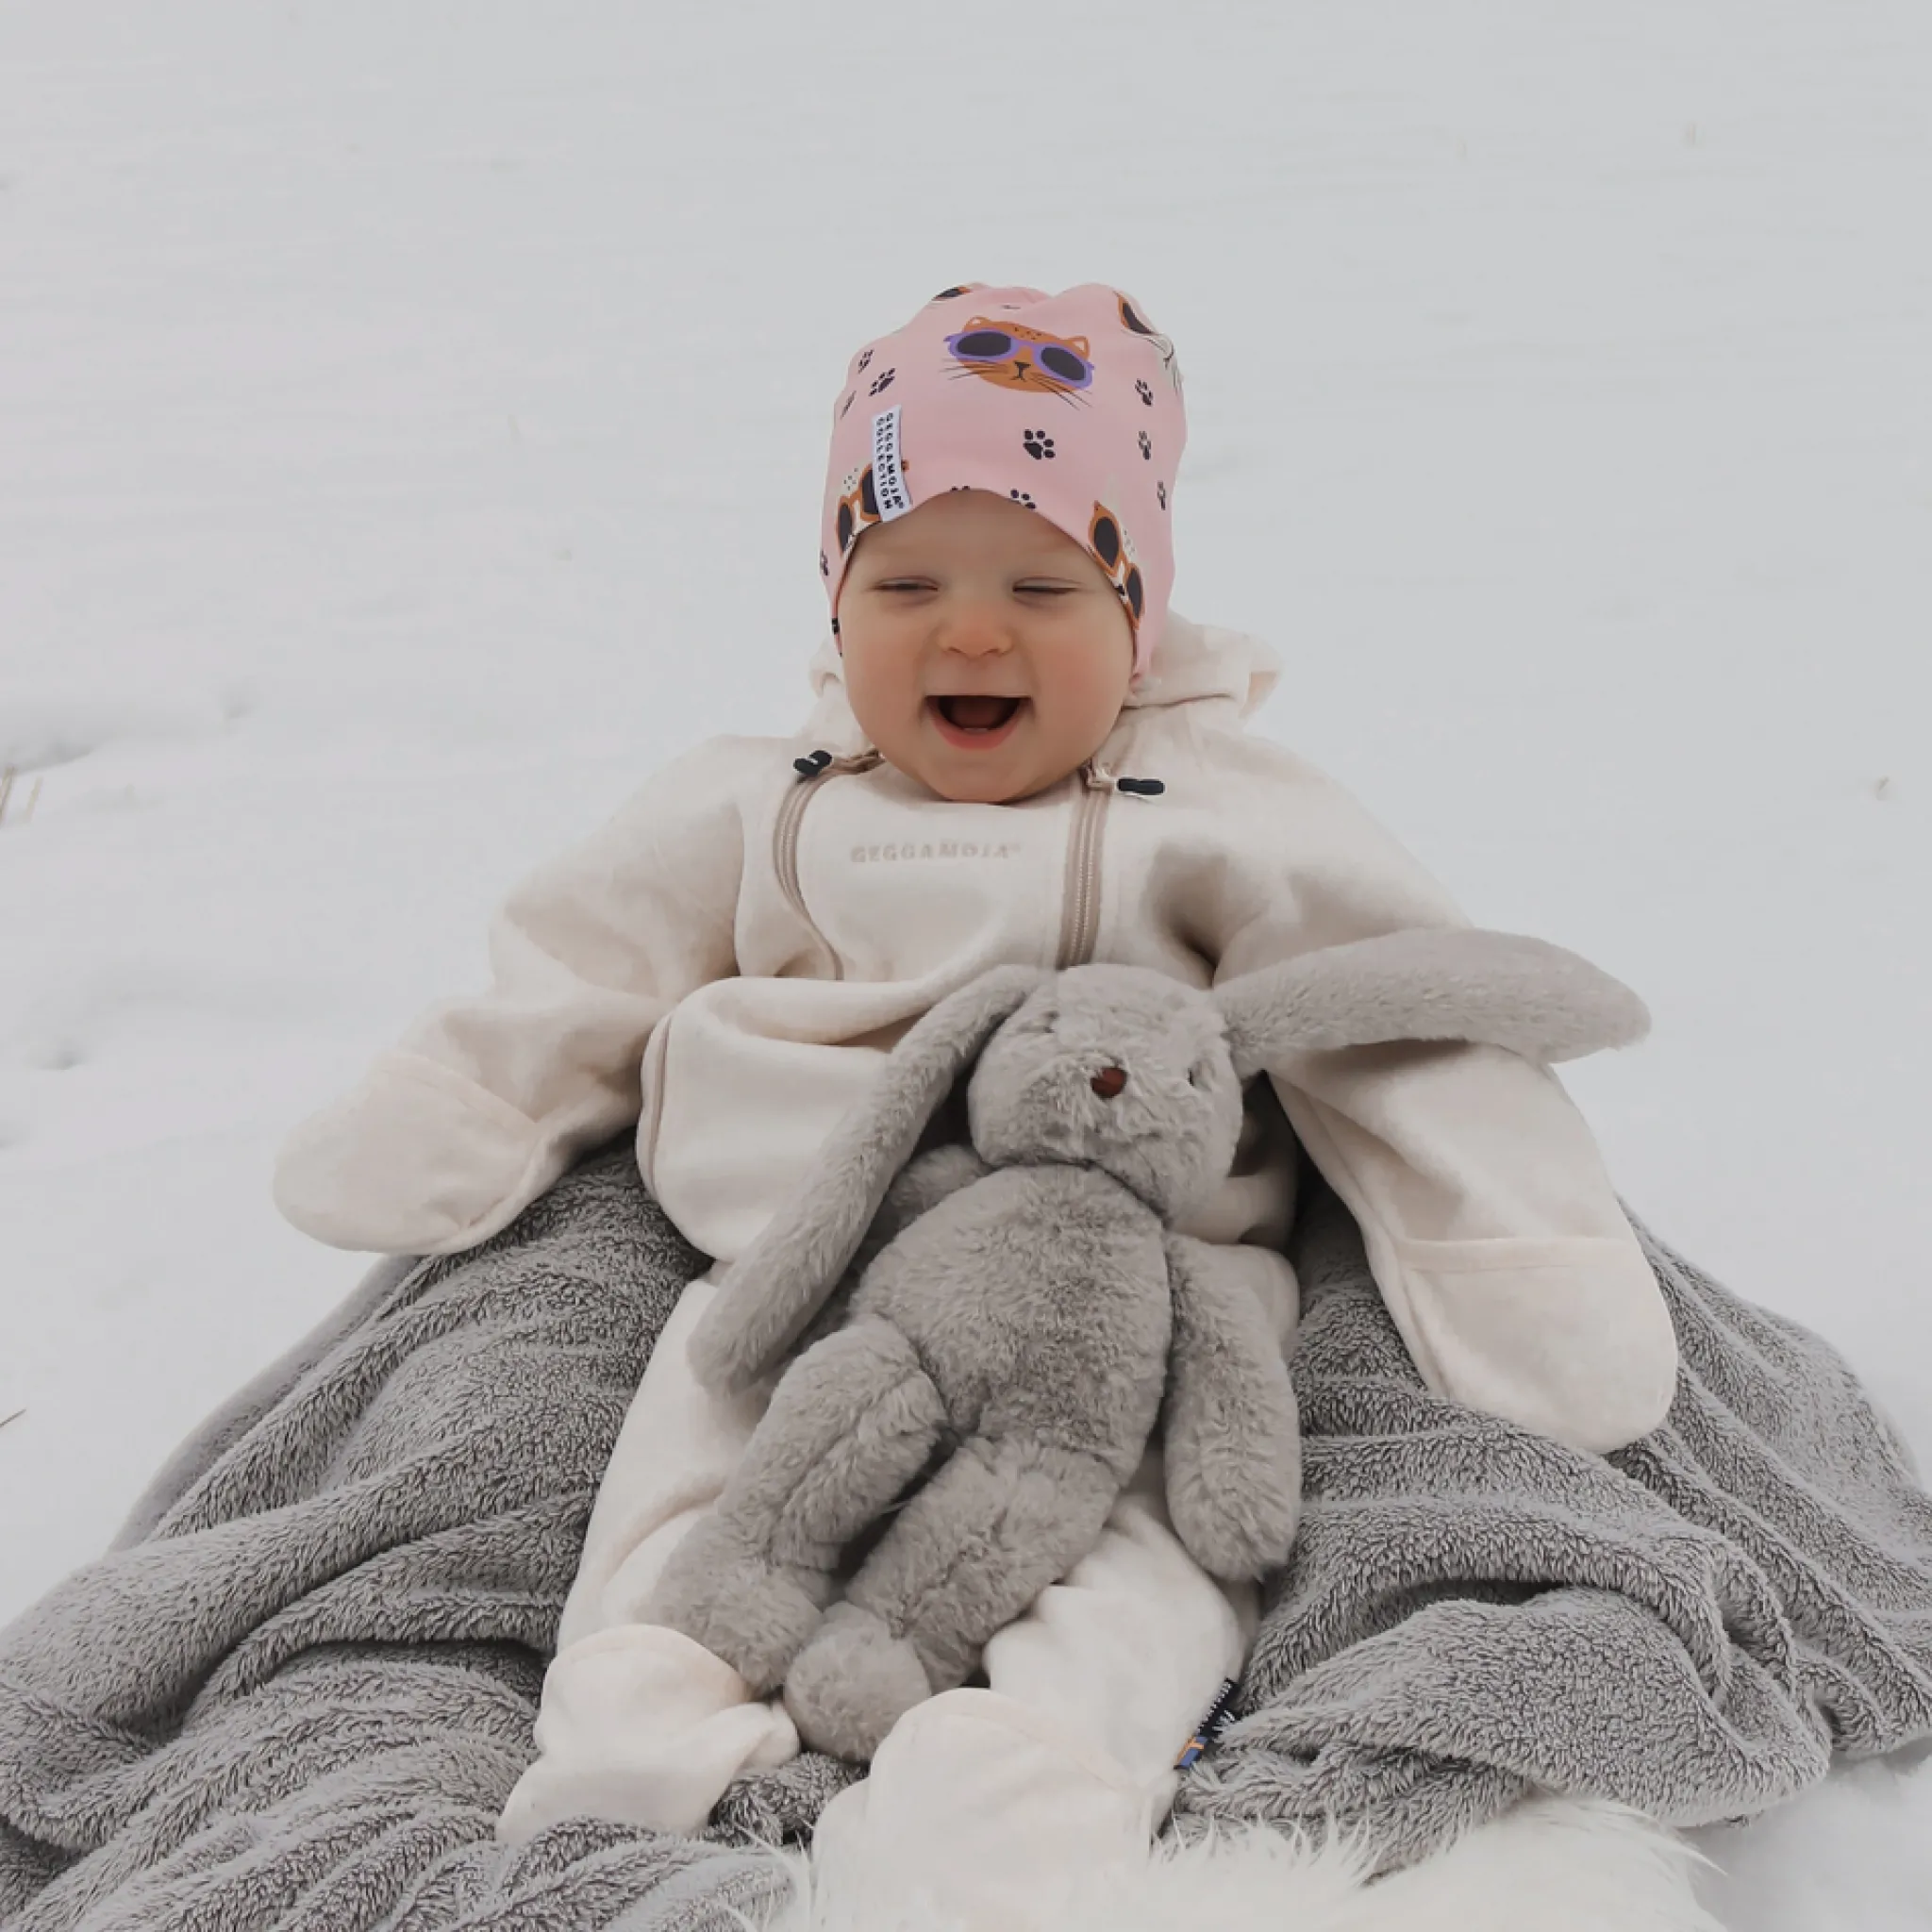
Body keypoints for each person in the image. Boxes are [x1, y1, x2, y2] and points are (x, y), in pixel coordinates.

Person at [273, 282, 1679, 1922]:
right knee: (693, 1489)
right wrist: (461, 1103)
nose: (971, 634)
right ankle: (645, 1743)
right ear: (837, 601)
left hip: (1128, 1313)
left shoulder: (1221, 809)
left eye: (1041, 586)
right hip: (795, 1276)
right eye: (906, 584)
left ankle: (1015, 1785)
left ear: (1136, 613)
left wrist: (1517, 1259)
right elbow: (583, 962)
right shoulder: (763, 800)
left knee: (1141, 1563)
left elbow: (1404, 1018)